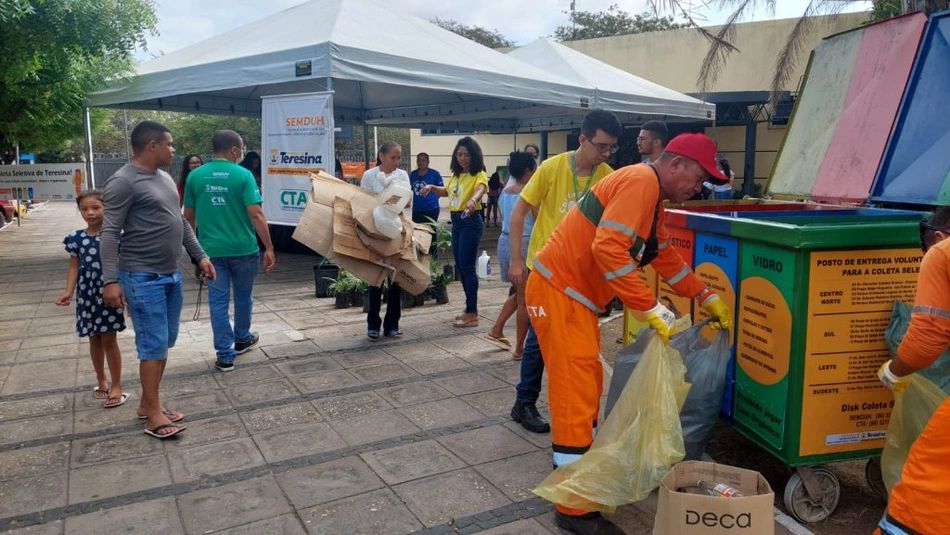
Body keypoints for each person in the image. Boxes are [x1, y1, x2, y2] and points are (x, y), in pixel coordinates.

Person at [526, 133, 733, 534]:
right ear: (675, 164)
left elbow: (661, 254)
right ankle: (574, 511)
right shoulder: (641, 182)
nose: (699, 186)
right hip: (560, 293)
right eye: (698, 176)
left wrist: (705, 295)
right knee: (576, 395)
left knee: (585, 386)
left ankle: (574, 483)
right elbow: (609, 249)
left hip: (570, 295)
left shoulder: (650, 194)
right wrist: (649, 306)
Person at [507, 109, 622, 435]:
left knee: (578, 343)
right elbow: (519, 214)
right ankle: (524, 402)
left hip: (581, 279)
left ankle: (579, 409)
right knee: (538, 340)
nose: (605, 154)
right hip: (544, 271)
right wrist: (516, 261)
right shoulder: (551, 167)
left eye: (611, 148)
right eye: (601, 146)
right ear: (582, 139)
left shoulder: (608, 175)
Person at [101, 120, 215, 440]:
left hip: (170, 275)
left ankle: (147, 403)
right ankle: (153, 414)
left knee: (163, 343)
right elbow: (109, 234)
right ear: (152, 145)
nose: (173, 149)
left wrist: (200, 255)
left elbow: (180, 222)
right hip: (141, 276)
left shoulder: (163, 177)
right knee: (152, 346)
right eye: (169, 144)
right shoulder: (123, 181)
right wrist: (109, 281)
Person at [876, 207, 950, 535]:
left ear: (936, 237)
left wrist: (894, 371)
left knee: (926, 493)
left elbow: (927, 338)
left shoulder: (941, 254)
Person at [184, 130, 276, 372]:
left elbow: (188, 218)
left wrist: (195, 254)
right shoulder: (243, 175)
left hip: (210, 252)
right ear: (235, 150)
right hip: (243, 249)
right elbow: (256, 214)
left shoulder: (195, 176)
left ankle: (225, 355)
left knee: (218, 301)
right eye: (242, 149)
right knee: (244, 296)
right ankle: (242, 337)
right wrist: (269, 247)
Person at [55, 190, 127, 408]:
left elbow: (125, 264)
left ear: (106, 208)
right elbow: (74, 266)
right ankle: (101, 380)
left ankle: (117, 384)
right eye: (84, 209)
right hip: (86, 294)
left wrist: (125, 291)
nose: (90, 213)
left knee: (109, 339)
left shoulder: (117, 236)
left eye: (95, 207)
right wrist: (68, 291)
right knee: (93, 338)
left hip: (109, 292)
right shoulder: (76, 238)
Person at [421, 137, 488, 328]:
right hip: (457, 222)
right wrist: (432, 187)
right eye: (459, 154)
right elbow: (446, 192)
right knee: (461, 265)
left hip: (470, 221)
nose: (463, 158)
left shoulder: (479, 174)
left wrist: (473, 200)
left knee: (467, 268)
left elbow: (480, 189)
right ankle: (469, 309)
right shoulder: (457, 176)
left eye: (467, 155)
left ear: (474, 156)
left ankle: (472, 312)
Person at [486, 152, 537, 359]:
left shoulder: (505, 191)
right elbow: (540, 219)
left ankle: (497, 329)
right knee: (524, 299)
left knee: (519, 293)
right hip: (523, 244)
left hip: (505, 242)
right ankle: (519, 348)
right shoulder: (530, 192)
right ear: (528, 172)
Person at [361, 141, 411, 341]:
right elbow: (363, 201)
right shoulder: (369, 175)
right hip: (374, 231)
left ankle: (392, 324)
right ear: (381, 156)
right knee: (375, 280)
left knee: (395, 281)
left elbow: (406, 201)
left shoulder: (402, 176)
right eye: (393, 157)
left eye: (399, 158)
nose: (396, 162)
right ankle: (373, 324)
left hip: (396, 230)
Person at [410, 152, 443, 225]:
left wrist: (432, 198)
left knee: (431, 232)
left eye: (423, 160)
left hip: (431, 209)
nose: (420, 162)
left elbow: (441, 190)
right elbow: (411, 189)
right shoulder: (413, 174)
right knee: (418, 232)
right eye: (418, 160)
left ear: (428, 162)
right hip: (417, 210)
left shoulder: (435, 174)